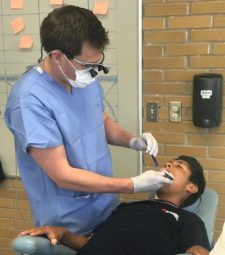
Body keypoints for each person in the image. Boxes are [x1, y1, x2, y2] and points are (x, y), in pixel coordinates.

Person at [4, 5, 172, 236]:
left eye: (97, 63)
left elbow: (99, 120)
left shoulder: (81, 78)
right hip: (68, 227)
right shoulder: (29, 100)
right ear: (58, 56)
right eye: (86, 65)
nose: (92, 72)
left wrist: (132, 141)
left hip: (106, 210)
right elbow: (62, 175)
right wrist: (132, 185)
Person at [0, 156, 210, 255]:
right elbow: (91, 243)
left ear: (191, 188)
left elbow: (197, 254)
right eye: (168, 163)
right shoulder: (127, 207)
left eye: (178, 166)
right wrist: (63, 234)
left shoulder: (186, 219)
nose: (168, 166)